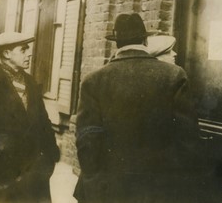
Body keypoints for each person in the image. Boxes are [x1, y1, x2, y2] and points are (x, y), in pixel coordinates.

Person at [74, 13, 210, 203]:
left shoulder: (93, 81)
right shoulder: (174, 76)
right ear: (145, 40)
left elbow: (87, 142)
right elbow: (188, 141)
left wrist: (96, 186)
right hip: (158, 191)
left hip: (109, 190)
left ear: (117, 43)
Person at [0, 32, 60, 202]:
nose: (29, 53)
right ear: (6, 53)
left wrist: (48, 162)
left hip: (34, 180)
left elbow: (44, 124)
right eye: (23, 49)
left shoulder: (31, 83)